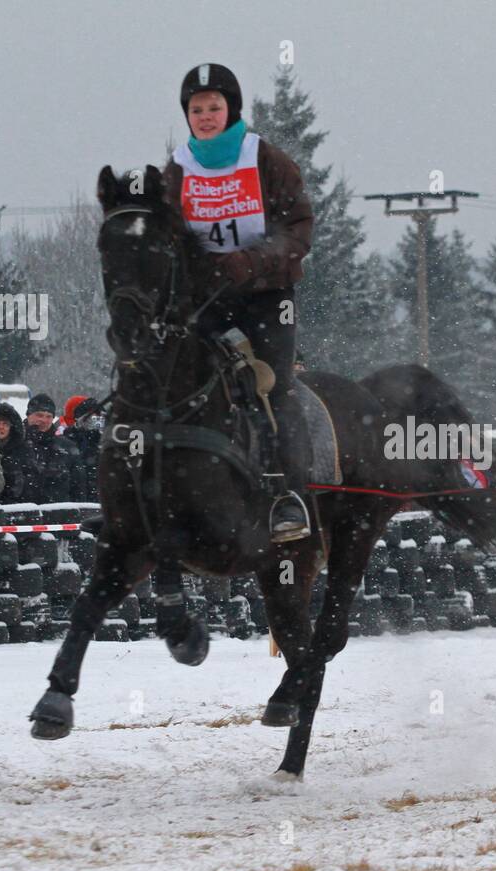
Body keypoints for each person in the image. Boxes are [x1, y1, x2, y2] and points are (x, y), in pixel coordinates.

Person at [163, 62, 314, 542]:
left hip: (267, 297)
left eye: (214, 107)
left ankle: (287, 496)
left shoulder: (267, 159)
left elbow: (298, 229)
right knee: (170, 375)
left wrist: (246, 263)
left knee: (271, 384)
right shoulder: (178, 169)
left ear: (232, 110)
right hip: (206, 299)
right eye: (196, 109)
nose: (205, 116)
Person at [23, 394, 86, 504]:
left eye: (49, 416)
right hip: (21, 514)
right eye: (39, 415)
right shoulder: (15, 442)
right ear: (28, 415)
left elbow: (78, 488)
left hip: (60, 515)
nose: (44, 420)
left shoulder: (67, 447)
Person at [0, 401, 42, 504]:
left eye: (5, 423)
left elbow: (31, 484)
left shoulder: (23, 450)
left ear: (11, 427)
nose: (1, 427)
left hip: (15, 508)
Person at [61, 397, 103, 503]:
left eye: (99, 417)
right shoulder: (68, 441)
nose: (95, 421)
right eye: (90, 417)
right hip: (77, 500)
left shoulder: (107, 439)